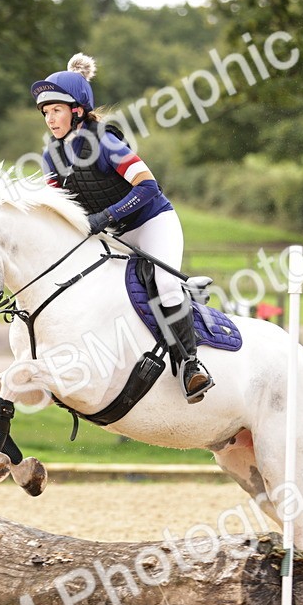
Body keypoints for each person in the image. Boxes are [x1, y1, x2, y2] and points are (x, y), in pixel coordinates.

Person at [30, 53, 214, 404]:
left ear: (77, 110)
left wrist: (106, 217)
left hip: (150, 223)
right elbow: (59, 209)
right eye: (45, 112)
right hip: (112, 235)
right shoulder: (51, 157)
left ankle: (191, 365)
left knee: (165, 286)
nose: (49, 119)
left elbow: (147, 188)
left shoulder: (106, 142)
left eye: (56, 110)